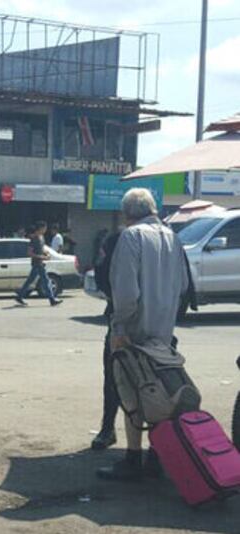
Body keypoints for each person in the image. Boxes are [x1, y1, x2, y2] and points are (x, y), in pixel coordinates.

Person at [97, 188, 191, 481]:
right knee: (158, 394)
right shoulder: (173, 238)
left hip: (134, 330)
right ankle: (156, 457)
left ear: (127, 213)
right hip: (163, 330)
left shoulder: (131, 237)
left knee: (133, 394)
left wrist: (119, 327)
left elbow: (126, 292)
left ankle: (133, 458)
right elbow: (183, 285)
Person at [90, 228, 122, 450]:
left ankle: (108, 428)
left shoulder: (119, 240)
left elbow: (100, 276)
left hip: (122, 320)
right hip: (159, 319)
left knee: (113, 377)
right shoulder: (167, 239)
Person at [14, 221, 62, 306]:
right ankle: (52, 299)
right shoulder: (34, 239)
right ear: (40, 228)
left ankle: (20, 296)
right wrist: (42, 257)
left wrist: (46, 253)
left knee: (30, 280)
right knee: (46, 281)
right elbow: (30, 253)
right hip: (37, 263)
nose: (45, 230)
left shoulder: (41, 237)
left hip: (40, 263)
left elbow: (42, 248)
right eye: (44, 228)